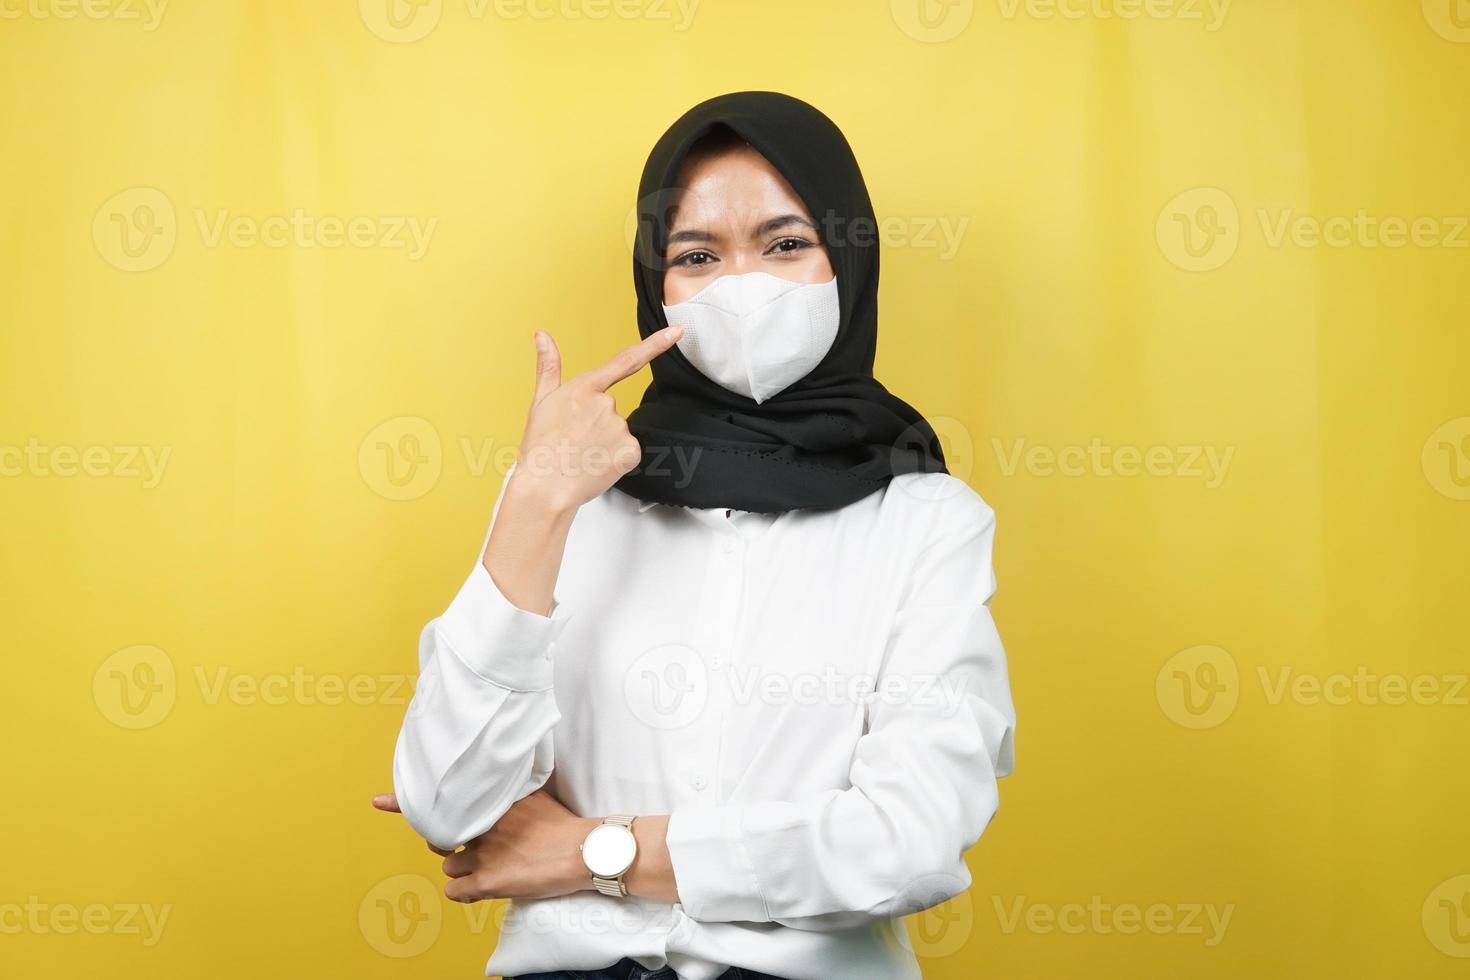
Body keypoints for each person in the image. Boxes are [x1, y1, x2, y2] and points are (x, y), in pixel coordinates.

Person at [373, 91, 1017, 980]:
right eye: (697, 255)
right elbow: (447, 801)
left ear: (850, 262)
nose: (741, 286)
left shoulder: (926, 521)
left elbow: (908, 838)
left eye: (786, 244)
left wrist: (593, 852)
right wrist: (535, 500)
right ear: (656, 286)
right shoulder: (569, 496)